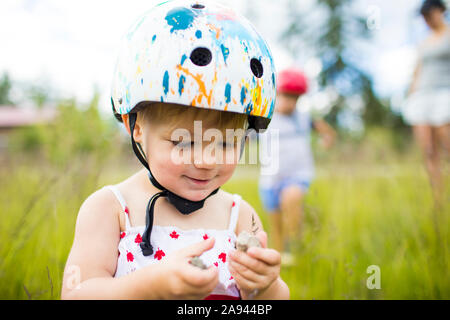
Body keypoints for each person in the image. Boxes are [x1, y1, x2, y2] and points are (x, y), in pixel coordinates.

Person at [61, 1, 289, 300]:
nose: (207, 161)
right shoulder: (111, 209)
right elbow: (75, 294)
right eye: (184, 142)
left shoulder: (241, 216)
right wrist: (152, 284)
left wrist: (265, 285)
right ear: (136, 125)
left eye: (226, 143)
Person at [258, 68, 336, 264]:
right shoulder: (263, 117)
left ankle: (295, 246)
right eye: (286, 96)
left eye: (295, 98)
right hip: (270, 178)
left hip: (297, 174)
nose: (290, 103)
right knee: (275, 226)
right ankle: (280, 255)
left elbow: (325, 130)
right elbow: (244, 136)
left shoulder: (303, 118)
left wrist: (327, 139)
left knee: (291, 198)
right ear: (276, 94)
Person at [403, 0, 450, 208]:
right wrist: (411, 94)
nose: (427, 20)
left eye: (429, 15)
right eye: (424, 17)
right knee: (429, 150)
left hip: (444, 93)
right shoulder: (424, 41)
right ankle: (438, 197)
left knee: (447, 143)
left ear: (440, 11)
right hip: (422, 96)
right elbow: (418, 70)